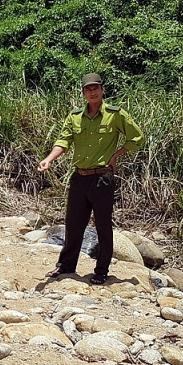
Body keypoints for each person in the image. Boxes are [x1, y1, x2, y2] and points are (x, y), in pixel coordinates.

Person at [37, 73, 145, 284]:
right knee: (73, 224)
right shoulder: (75, 116)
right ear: (83, 93)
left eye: (95, 88)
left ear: (102, 90)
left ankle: (101, 270)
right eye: (88, 89)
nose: (92, 92)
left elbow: (137, 138)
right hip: (79, 177)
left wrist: (116, 155)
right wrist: (48, 160)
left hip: (102, 179)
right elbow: (63, 141)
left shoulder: (115, 114)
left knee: (103, 226)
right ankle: (66, 266)